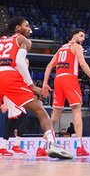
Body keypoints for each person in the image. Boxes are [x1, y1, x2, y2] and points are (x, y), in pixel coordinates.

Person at [0, 16, 72, 159]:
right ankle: (53, 145)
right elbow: (20, 62)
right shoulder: (23, 40)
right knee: (41, 111)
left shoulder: (2, 40)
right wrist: (31, 86)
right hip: (10, 77)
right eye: (27, 26)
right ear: (18, 28)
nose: (30, 29)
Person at [41, 29, 90, 156]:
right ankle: (79, 147)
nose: (83, 38)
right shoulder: (76, 46)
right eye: (81, 35)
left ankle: (41, 147)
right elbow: (83, 64)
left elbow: (48, 66)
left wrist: (45, 83)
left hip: (58, 80)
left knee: (54, 117)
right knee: (77, 111)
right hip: (69, 79)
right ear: (74, 35)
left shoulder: (61, 48)